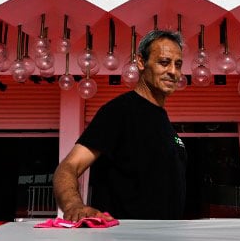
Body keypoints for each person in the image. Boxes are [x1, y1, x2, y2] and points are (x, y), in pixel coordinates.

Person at [53, 29, 187, 220]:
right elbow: (68, 167)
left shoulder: (162, 119)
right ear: (141, 62)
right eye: (164, 62)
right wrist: (73, 205)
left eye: (178, 64)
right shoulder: (119, 111)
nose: (173, 71)